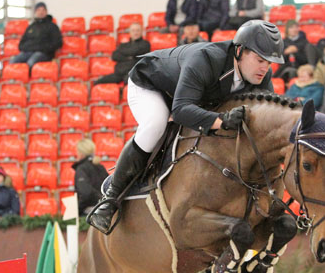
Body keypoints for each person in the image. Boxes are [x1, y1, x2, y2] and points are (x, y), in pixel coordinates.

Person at [87, 20, 284, 233]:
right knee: (155, 124)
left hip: (194, 95)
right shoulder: (207, 60)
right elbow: (180, 110)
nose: (265, 67)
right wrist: (222, 121)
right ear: (239, 51)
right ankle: (109, 200)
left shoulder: (260, 75)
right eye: (260, 59)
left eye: (269, 62)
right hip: (152, 86)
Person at [10, 2, 62, 69]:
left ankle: (28, 79)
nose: (41, 12)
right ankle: (15, 78)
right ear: (35, 12)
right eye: (39, 10)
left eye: (43, 10)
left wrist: (43, 48)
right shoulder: (31, 27)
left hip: (44, 53)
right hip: (29, 52)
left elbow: (57, 43)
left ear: (46, 12)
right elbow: (21, 45)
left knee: (31, 62)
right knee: (13, 61)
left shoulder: (52, 26)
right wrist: (30, 48)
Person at [72, 139, 109, 216]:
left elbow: (86, 193)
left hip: (89, 214)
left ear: (81, 153)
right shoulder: (100, 167)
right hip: (103, 211)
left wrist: (77, 211)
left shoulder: (81, 169)